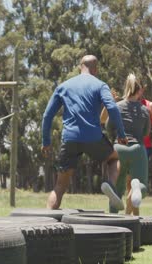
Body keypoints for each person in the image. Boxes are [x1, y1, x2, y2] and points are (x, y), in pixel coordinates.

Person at [41, 55, 128, 210]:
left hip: (69, 138)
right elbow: (113, 108)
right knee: (114, 159)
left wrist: (46, 141)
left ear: (80, 66)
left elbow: (47, 115)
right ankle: (110, 185)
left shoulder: (63, 86)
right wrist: (121, 133)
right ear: (96, 69)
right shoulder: (100, 85)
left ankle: (47, 226)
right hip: (93, 137)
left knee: (59, 185)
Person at [105, 74, 151, 216]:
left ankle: (113, 221)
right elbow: (145, 133)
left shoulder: (117, 107)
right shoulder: (145, 110)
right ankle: (136, 187)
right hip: (137, 148)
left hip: (119, 149)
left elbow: (108, 127)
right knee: (141, 184)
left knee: (117, 189)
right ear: (139, 91)